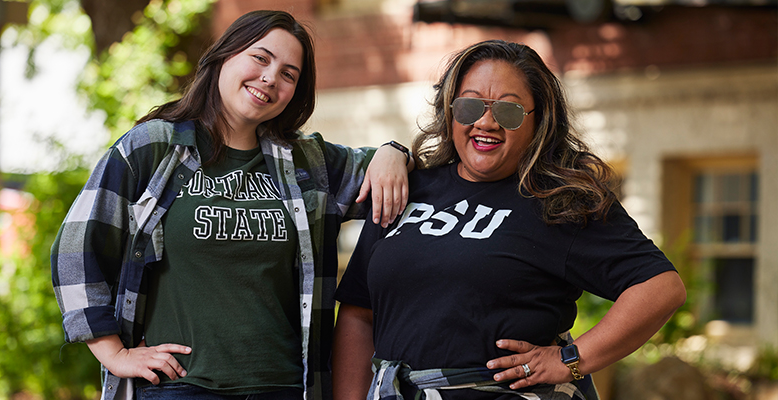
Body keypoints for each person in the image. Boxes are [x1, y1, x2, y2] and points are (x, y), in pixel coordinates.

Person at [51, 10, 414, 400]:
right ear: (225, 55)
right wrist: (114, 353)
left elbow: (398, 177)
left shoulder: (309, 163)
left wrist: (396, 153)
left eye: (289, 74)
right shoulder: (155, 148)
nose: (271, 78)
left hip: (285, 388)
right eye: (260, 58)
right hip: (180, 389)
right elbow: (76, 246)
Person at [332, 39, 686, 400]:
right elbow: (359, 313)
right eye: (469, 106)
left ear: (539, 120)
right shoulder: (406, 188)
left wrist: (571, 360)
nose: (486, 122)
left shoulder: (559, 201)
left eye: (509, 112)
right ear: (450, 111)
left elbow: (660, 288)